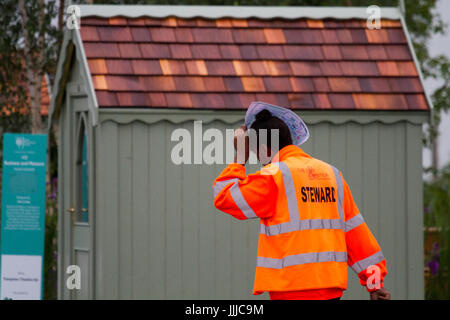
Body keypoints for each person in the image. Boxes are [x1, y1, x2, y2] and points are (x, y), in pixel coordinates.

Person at [212, 102, 390, 300]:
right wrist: (374, 284)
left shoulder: (274, 176)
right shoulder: (332, 175)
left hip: (290, 291)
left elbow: (224, 196)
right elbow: (357, 235)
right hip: (330, 291)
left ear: (263, 148)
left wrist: (239, 158)